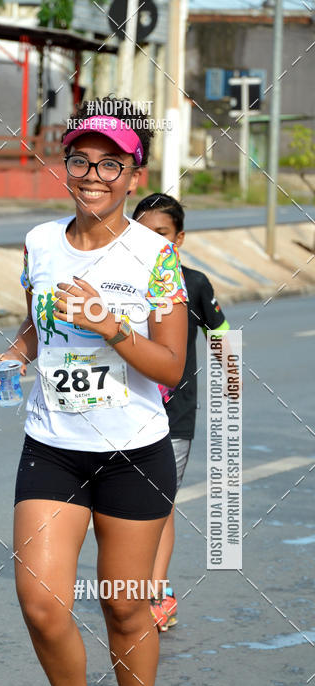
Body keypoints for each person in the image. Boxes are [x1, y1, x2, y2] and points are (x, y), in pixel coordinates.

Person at [0, 97, 188, 686]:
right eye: (81, 159)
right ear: (65, 165)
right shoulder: (41, 242)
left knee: (125, 608)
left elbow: (170, 366)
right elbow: (36, 324)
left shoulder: (156, 256)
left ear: (135, 173)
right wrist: (10, 355)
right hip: (53, 447)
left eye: (111, 162)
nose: (93, 173)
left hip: (134, 452)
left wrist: (109, 327)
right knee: (39, 603)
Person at [132, 194, 231, 632]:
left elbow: (222, 336)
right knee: (120, 505)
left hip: (174, 416)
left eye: (163, 235)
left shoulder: (193, 284)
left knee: (160, 505)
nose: (153, 243)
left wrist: (230, 379)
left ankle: (157, 592)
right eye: (143, 233)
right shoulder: (114, 282)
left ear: (180, 239)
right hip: (120, 411)